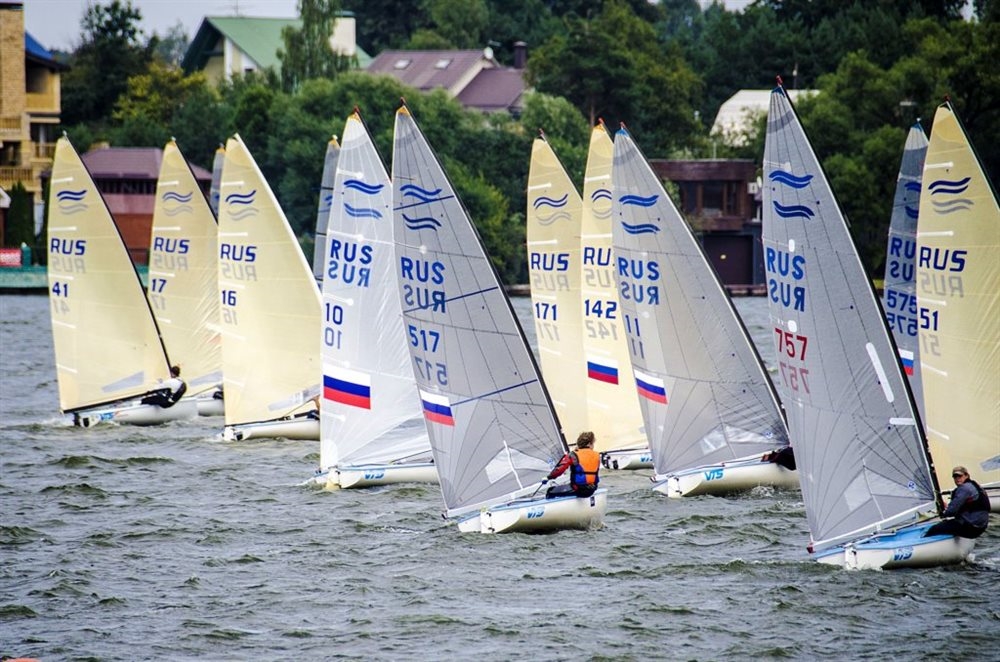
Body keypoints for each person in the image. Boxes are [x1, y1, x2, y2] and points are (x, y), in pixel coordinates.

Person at [923, 466, 990, 538]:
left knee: (934, 529)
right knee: (949, 524)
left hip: (971, 527)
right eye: (955, 476)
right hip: (981, 527)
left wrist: (943, 514)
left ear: (966, 475)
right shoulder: (975, 485)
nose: (957, 478)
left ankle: (925, 541)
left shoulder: (964, 488)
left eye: (960, 476)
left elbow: (951, 511)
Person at [544, 431, 600, 499]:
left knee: (550, 491)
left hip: (578, 489)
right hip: (591, 490)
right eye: (593, 443)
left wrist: (548, 477)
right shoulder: (597, 455)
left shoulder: (573, 455)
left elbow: (559, 470)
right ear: (589, 443)